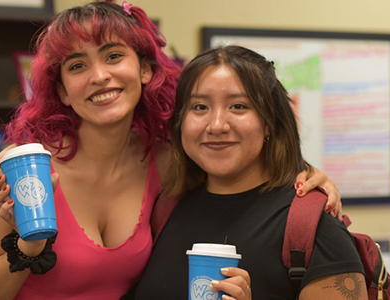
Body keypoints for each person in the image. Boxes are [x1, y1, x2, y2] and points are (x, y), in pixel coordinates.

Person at [0, 2, 343, 300]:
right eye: (77, 66)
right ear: (61, 90)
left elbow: (239, 152)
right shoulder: (24, 168)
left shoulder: (165, 159)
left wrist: (308, 175)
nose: (99, 76)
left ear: (145, 70)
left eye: (113, 56)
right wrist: (28, 249)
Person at [131, 45, 367, 300]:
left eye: (238, 106)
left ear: (269, 123)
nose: (217, 125)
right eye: (199, 107)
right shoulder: (164, 210)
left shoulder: (313, 226)